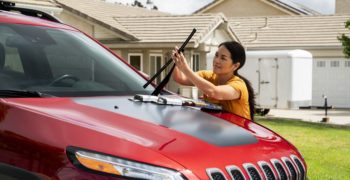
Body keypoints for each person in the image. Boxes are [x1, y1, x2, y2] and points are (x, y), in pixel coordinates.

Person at [171, 41, 255, 120]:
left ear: (235, 66)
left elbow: (214, 92)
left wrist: (186, 69)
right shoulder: (209, 76)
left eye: (223, 58)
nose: (216, 60)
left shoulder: (238, 85)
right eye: (216, 55)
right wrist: (177, 62)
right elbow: (180, 78)